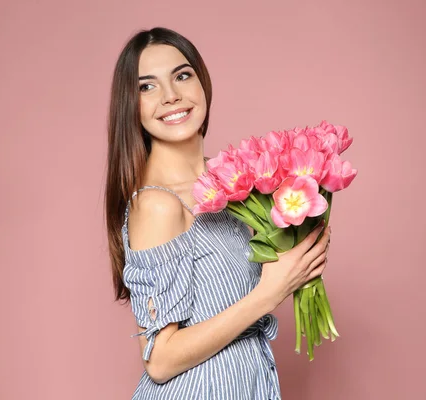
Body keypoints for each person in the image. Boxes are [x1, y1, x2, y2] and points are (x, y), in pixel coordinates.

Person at [104, 27, 331, 400]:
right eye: (147, 87)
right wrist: (271, 292)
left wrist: (301, 251)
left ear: (202, 81)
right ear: (132, 106)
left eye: (181, 75)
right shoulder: (158, 205)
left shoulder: (234, 187)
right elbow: (159, 360)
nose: (171, 96)